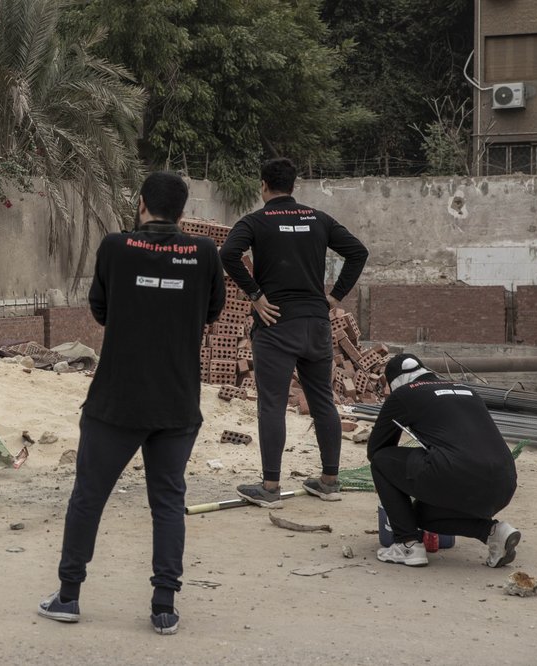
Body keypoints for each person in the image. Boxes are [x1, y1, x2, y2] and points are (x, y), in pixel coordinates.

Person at [37, 171, 225, 635]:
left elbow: (99, 309)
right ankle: (164, 606)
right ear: (182, 212)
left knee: (89, 496)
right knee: (167, 501)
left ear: (141, 205)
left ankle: (68, 596)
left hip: (116, 400)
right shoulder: (203, 253)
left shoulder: (115, 248)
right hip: (177, 402)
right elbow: (213, 311)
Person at [220, 157, 368, 508]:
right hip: (316, 324)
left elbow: (228, 254)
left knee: (271, 405)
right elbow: (358, 252)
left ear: (263, 186)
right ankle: (329, 481)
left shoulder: (256, 221)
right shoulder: (317, 218)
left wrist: (255, 296)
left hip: (275, 325)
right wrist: (333, 298)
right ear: (293, 186)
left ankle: (270, 488)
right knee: (323, 402)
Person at [368, 353, 520, 568]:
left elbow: (376, 449)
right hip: (504, 483)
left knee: (382, 461)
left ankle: (407, 544)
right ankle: (494, 533)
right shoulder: (468, 390)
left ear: (396, 381)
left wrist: (397, 488)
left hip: (456, 473)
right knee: (422, 514)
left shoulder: (404, 393)